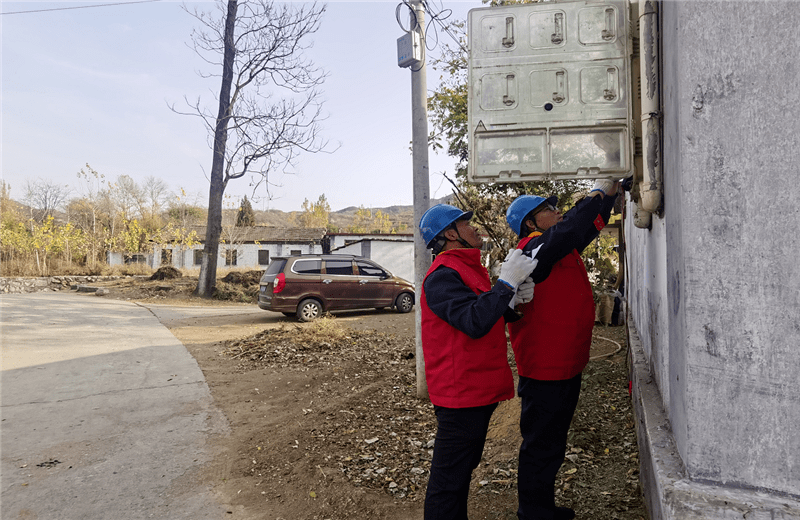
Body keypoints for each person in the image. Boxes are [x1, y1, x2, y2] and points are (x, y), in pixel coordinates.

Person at [505, 180, 620, 520]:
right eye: (548, 210)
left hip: (564, 365)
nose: (557, 213)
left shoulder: (557, 247)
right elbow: (571, 225)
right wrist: (598, 191)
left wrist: (609, 198)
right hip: (545, 370)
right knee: (541, 445)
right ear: (530, 223)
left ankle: (541, 507)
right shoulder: (530, 251)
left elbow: (583, 227)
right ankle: (532, 512)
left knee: (552, 443)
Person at [419, 203, 538, 520]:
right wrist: (505, 285)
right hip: (460, 395)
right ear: (450, 234)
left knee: (460, 472)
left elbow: (481, 309)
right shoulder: (442, 276)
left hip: (475, 390)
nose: (476, 230)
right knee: (447, 482)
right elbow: (473, 321)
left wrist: (509, 302)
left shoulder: (466, 269)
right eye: (467, 225)